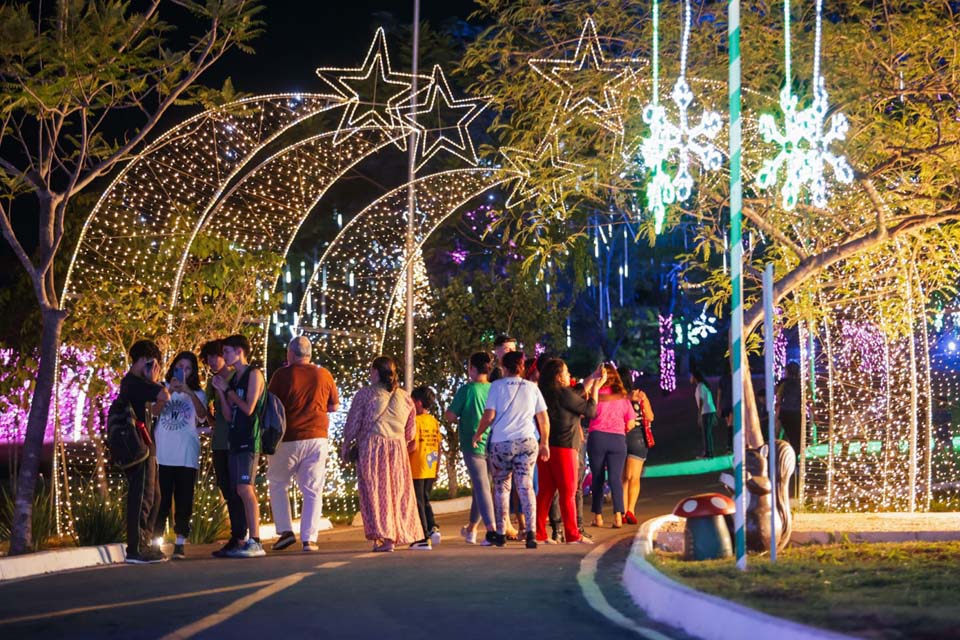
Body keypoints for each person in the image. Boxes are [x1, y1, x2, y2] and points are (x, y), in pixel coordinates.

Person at [340, 356, 422, 552]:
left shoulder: (365, 394)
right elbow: (410, 432)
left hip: (372, 448)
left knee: (376, 492)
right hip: (397, 449)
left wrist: (345, 447)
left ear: (375, 372)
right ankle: (398, 533)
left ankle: (385, 537)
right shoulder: (405, 397)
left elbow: (352, 424)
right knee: (397, 492)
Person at [267, 336, 340, 553]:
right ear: (309, 354)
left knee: (278, 483)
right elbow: (334, 406)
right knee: (312, 490)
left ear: (290, 354)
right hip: (318, 437)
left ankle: (286, 531)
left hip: (288, 438)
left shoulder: (281, 375)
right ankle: (310, 539)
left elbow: (272, 404)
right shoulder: (323, 374)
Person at [472, 351, 549, 549]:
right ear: (522, 367)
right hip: (527, 441)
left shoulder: (497, 386)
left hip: (501, 443)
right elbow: (543, 418)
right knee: (526, 486)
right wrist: (545, 443)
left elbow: (489, 415)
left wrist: (478, 434)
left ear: (504, 367)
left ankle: (500, 533)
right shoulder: (532, 388)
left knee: (501, 487)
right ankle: (531, 533)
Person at [536, 358, 603, 545]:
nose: (569, 376)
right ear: (558, 377)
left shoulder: (545, 393)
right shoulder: (564, 394)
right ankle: (572, 535)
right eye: (566, 373)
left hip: (546, 447)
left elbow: (579, 391)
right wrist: (596, 389)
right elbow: (590, 411)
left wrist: (593, 377)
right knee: (568, 492)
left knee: (546, 492)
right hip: (564, 448)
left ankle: (539, 533)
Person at [211, 334, 266, 558]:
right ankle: (243, 539)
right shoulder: (232, 380)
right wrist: (222, 391)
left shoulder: (253, 374)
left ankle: (256, 540)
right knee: (237, 489)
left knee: (245, 488)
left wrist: (229, 390)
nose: (223, 356)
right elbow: (228, 415)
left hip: (249, 439)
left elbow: (248, 408)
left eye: (226, 352)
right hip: (234, 438)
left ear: (239, 351)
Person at [119, 339, 170, 564]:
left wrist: (154, 384)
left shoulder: (140, 384)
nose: (154, 368)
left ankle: (145, 543)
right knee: (143, 497)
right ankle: (135, 548)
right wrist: (154, 382)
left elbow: (158, 407)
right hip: (138, 447)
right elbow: (164, 396)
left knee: (155, 496)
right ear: (141, 360)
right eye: (151, 363)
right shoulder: (133, 383)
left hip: (147, 445)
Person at [154, 351, 207, 560]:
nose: (183, 372)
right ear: (173, 368)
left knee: (184, 500)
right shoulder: (162, 389)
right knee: (161, 500)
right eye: (179, 367)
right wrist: (168, 392)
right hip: (163, 453)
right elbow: (155, 411)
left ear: (193, 372)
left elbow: (202, 416)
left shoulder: (198, 393)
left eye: (187, 369)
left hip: (186, 454)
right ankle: (155, 541)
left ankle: (180, 543)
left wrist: (188, 392)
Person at [201, 339, 247, 558]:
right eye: (208, 357)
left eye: (216, 355)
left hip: (235, 442)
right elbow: (205, 412)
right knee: (226, 489)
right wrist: (211, 420)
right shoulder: (213, 381)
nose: (212, 360)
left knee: (237, 489)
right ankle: (237, 535)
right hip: (219, 441)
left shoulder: (235, 377)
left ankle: (240, 535)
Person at [445, 352, 496, 545]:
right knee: (481, 487)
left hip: (472, 443)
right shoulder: (493, 389)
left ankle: (491, 531)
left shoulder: (467, 390)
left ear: (473, 369)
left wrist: (452, 415)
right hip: (493, 442)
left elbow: (451, 415)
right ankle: (472, 529)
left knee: (482, 486)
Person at [587, 364, 635, 529]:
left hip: (597, 438)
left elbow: (588, 411)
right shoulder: (623, 398)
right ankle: (618, 517)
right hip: (618, 440)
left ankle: (598, 517)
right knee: (615, 478)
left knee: (598, 478)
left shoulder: (596, 394)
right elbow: (631, 422)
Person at [409, 386, 441, 550]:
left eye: (412, 402)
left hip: (417, 466)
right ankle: (432, 527)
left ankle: (422, 536)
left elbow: (413, 444)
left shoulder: (415, 421)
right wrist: (437, 467)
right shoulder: (434, 421)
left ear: (419, 403)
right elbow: (439, 445)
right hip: (430, 466)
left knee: (418, 502)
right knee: (425, 498)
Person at [623, 382, 654, 525]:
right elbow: (650, 417)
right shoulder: (640, 397)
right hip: (639, 439)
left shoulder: (618, 399)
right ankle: (630, 510)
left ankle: (623, 512)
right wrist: (644, 399)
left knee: (624, 478)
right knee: (634, 477)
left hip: (621, 438)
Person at [775, 361, 803, 456]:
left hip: (785, 413)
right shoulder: (802, 384)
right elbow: (808, 400)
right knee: (797, 438)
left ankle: (784, 455)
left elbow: (778, 398)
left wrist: (777, 415)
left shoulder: (783, 383)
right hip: (797, 414)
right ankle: (794, 456)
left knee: (786, 436)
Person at [691, 369, 718, 458]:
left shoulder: (700, 386)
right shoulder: (703, 386)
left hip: (706, 411)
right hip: (709, 410)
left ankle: (708, 453)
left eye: (692, 376)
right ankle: (709, 452)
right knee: (708, 433)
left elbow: (701, 400)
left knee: (706, 433)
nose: (690, 378)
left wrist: (699, 415)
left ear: (695, 378)